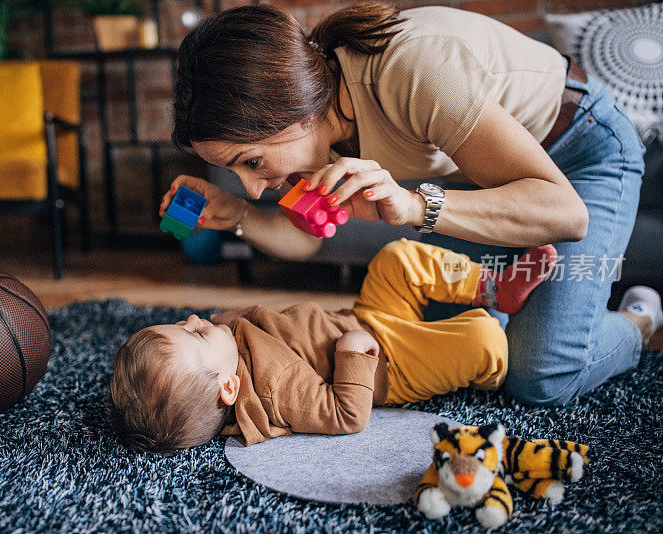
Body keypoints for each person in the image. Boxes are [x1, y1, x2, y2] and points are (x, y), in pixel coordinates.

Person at [159, 2, 658, 407]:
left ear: (285, 101)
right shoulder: (309, 137)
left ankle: (638, 320)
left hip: (580, 152)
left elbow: (567, 215)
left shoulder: (411, 68)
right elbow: (305, 241)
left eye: (250, 161)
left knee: (539, 377)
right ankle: (524, 303)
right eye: (236, 172)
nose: (251, 185)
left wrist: (418, 207)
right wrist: (239, 216)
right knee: (423, 339)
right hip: (488, 184)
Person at [110, 239, 558, 453]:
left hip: (364, 318)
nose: (191, 318)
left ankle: (495, 289)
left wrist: (219, 328)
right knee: (481, 338)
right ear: (229, 389)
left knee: (396, 259)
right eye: (193, 333)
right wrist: (352, 356)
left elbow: (253, 326)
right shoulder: (275, 389)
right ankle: (495, 366)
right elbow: (345, 415)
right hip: (387, 364)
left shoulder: (226, 346)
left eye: (178, 322)